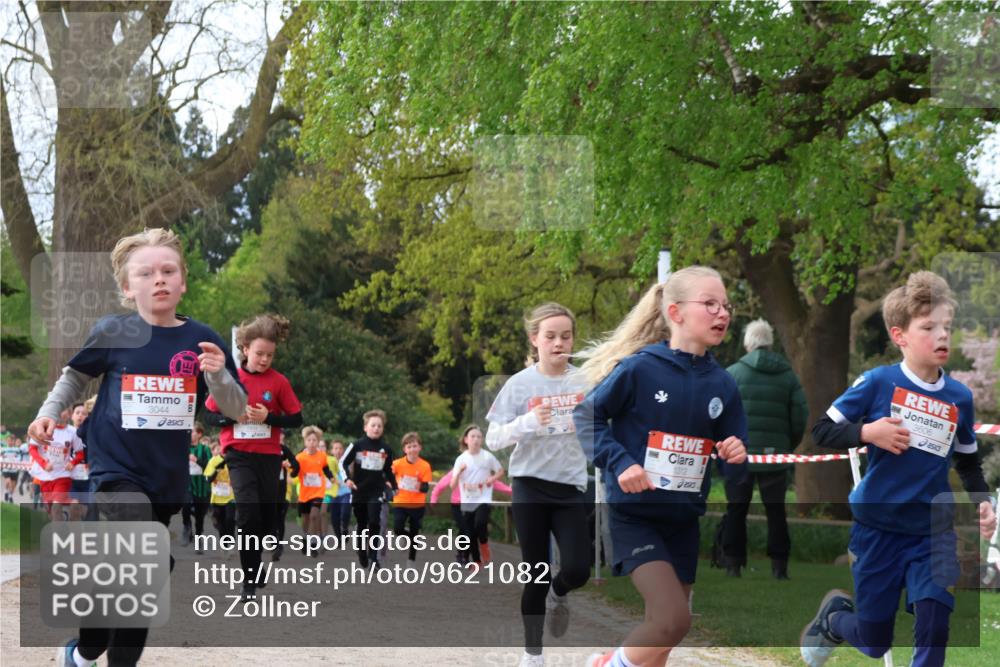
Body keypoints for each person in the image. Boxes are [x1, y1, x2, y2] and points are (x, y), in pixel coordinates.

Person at [27, 227, 246, 667]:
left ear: (183, 281)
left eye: (168, 271)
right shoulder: (113, 331)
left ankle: (86, 649)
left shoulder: (202, 340)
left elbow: (236, 408)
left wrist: (219, 374)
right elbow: (74, 377)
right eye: (145, 273)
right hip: (115, 471)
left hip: (164, 478)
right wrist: (48, 412)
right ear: (128, 287)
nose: (158, 279)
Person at [800, 271, 998, 667]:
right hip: (879, 528)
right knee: (874, 641)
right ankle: (836, 619)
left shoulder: (959, 396)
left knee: (935, 622)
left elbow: (968, 460)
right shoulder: (877, 383)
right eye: (929, 327)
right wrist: (868, 432)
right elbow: (822, 430)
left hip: (931, 530)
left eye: (947, 327)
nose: (942, 336)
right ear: (899, 335)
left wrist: (982, 502)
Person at [573, 266, 748, 667]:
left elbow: (733, 454)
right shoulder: (639, 368)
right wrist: (620, 463)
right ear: (675, 311)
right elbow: (587, 418)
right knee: (673, 619)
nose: (722, 313)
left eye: (726, 305)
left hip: (683, 519)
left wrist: (736, 451)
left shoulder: (723, 384)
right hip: (635, 515)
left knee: (663, 634)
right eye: (709, 304)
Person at [486, 302, 591, 666]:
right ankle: (533, 654)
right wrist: (528, 422)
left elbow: (602, 426)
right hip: (530, 484)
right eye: (550, 336)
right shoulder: (520, 384)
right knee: (535, 574)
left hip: (570, 486)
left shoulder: (585, 381)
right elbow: (494, 438)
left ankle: (559, 593)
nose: (559, 343)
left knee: (578, 569)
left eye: (566, 336)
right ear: (535, 340)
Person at [203, 314, 303, 599]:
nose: (264, 360)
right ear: (245, 349)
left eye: (270, 355)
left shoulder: (279, 382)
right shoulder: (230, 379)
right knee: (247, 514)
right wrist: (231, 417)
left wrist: (269, 418)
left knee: (266, 518)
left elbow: (296, 418)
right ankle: (248, 582)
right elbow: (208, 414)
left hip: (269, 456)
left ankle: (256, 564)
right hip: (238, 454)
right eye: (259, 353)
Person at [721, 318, 807, 579]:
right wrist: (784, 445)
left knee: (736, 508)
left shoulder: (733, 373)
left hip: (739, 455)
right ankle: (779, 567)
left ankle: (733, 564)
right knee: (776, 511)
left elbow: (721, 414)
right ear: (770, 343)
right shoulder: (789, 376)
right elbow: (800, 415)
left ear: (748, 344)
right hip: (775, 454)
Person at [342, 409, 395, 568]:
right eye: (373, 425)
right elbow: (342, 463)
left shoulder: (386, 449)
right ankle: (361, 550)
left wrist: (394, 486)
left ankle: (373, 557)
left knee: (374, 521)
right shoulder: (357, 445)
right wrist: (347, 479)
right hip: (359, 489)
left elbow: (388, 470)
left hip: (376, 490)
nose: (376, 428)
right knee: (362, 523)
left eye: (379, 425)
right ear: (366, 427)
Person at [451, 425, 505, 569]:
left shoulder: (487, 456)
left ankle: (484, 545)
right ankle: (476, 560)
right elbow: (452, 485)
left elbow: (500, 471)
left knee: (480, 524)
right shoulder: (461, 459)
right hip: (467, 500)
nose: (476, 439)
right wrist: (459, 472)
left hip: (483, 498)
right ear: (466, 440)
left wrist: (492, 479)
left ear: (482, 440)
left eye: (479, 437)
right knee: (470, 533)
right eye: (472, 436)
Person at [391, 432, 433, 568]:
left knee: (415, 531)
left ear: (420, 447)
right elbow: (388, 477)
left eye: (415, 446)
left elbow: (426, 487)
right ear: (404, 449)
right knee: (397, 528)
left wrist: (419, 486)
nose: (412, 449)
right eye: (409, 447)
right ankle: (404, 535)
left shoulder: (425, 466)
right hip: (400, 502)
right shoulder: (397, 464)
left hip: (417, 504)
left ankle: (411, 560)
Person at [294, 426, 334, 556]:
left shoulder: (322, 456)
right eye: (309, 440)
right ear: (305, 442)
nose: (312, 443)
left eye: (314, 440)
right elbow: (295, 472)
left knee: (314, 516)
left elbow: (326, 468)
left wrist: (331, 477)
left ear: (318, 442)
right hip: (305, 494)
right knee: (305, 519)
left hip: (318, 492)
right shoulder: (299, 457)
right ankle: (306, 537)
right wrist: (293, 471)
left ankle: (312, 543)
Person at [181, 422, 212, 553]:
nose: (190, 434)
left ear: (199, 434)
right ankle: (186, 526)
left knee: (200, 517)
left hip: (201, 486)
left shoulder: (204, 449)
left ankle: (199, 539)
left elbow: (210, 467)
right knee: (186, 506)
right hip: (187, 483)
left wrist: (196, 460)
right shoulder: (183, 448)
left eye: (192, 431)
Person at [204, 442, 236, 549]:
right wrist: (216, 471)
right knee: (220, 523)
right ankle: (224, 544)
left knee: (230, 519)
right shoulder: (213, 461)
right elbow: (208, 479)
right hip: (217, 497)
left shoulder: (234, 460)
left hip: (231, 496)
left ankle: (230, 541)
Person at [328, 439, 353, 540]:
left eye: (340, 448)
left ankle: (345, 528)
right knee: (334, 518)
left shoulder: (346, 462)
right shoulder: (328, 462)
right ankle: (339, 538)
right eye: (335, 448)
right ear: (331, 451)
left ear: (343, 450)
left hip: (346, 492)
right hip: (333, 493)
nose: (338, 450)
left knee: (345, 512)